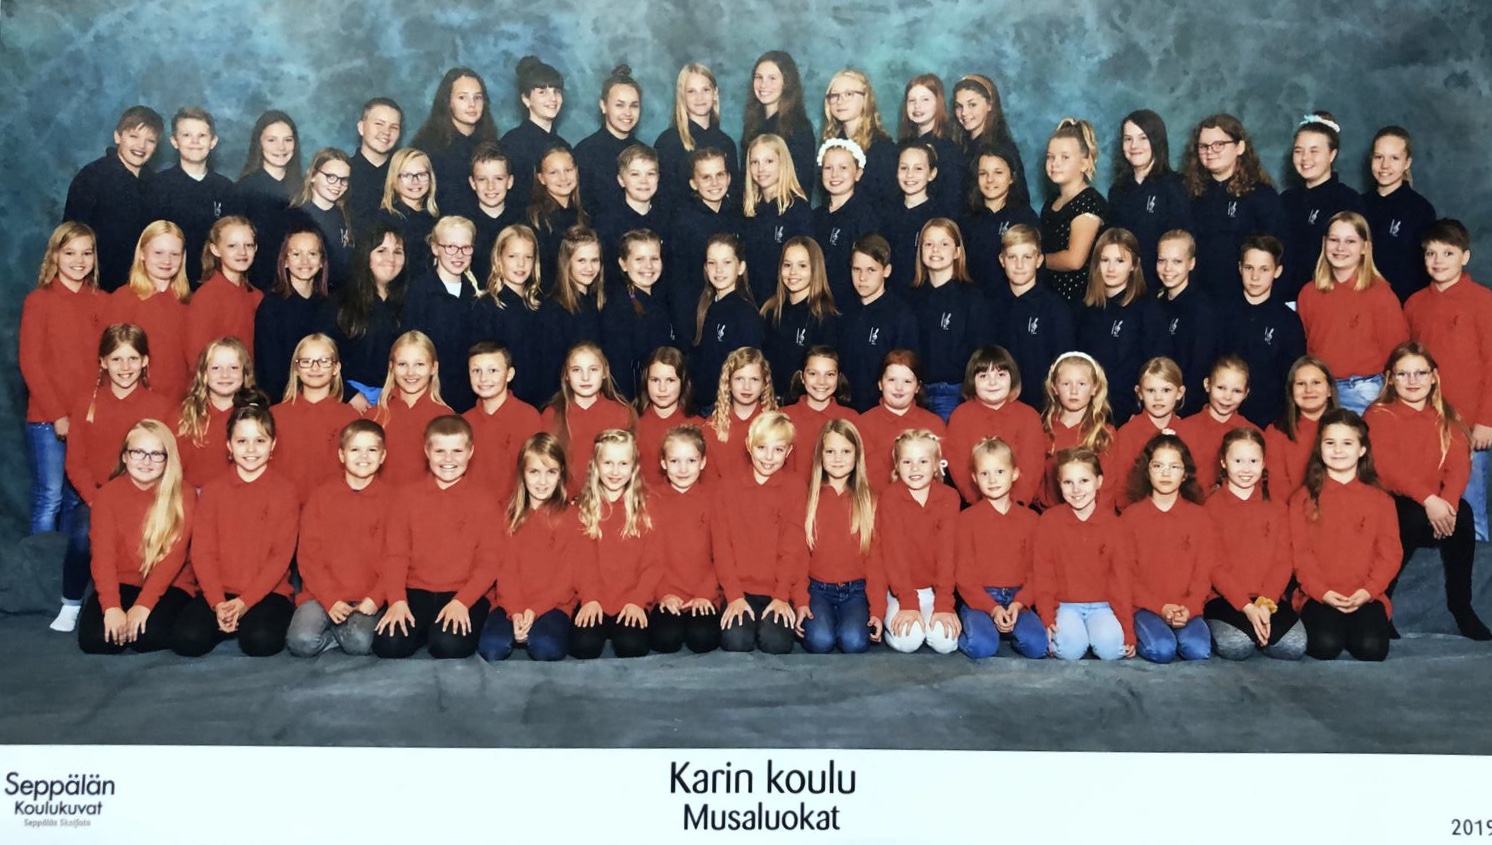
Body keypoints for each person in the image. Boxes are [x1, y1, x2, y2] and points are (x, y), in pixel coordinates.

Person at [1365, 343, 1490, 640]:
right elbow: (1388, 468)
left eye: (1420, 373)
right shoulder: (1378, 415)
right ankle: (1381, 604)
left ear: (1434, 376)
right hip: (1393, 502)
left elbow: (1458, 466)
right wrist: (1429, 500)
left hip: (1433, 505)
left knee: (1463, 515)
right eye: (1403, 374)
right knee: (1410, 516)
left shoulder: (1447, 416)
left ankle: (1461, 606)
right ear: (1390, 379)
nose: (1412, 381)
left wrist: (1447, 503)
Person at [59, 324, 176, 632]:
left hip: (147, 494)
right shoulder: (86, 403)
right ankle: (71, 602)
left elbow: (166, 459)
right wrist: (96, 500)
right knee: (82, 534)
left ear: (145, 361)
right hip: (97, 495)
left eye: (133, 359)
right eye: (116, 359)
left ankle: (144, 599)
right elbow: (75, 463)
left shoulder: (160, 406)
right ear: (103, 362)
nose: (125, 367)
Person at [170, 393, 297, 657]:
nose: (251, 450)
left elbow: (280, 558)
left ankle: (242, 621)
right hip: (219, 590)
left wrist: (244, 603)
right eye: (242, 441)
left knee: (260, 642)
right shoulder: (213, 491)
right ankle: (226, 619)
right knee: (187, 640)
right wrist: (218, 602)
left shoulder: (285, 492)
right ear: (229, 445)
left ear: (273, 444)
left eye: (260, 441)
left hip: (267, 592)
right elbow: (203, 552)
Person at [372, 415, 500, 660]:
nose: (448, 459)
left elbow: (489, 562)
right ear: (427, 452)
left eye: (457, 451)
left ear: (470, 452)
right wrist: (397, 600)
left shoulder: (485, 502)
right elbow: (396, 555)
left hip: (462, 592)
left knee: (448, 646)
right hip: (416, 590)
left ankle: (434, 631)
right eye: (440, 451)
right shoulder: (406, 498)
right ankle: (425, 629)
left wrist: (463, 602)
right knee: (388, 645)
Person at [1404, 219, 1492, 543]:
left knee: (1471, 500)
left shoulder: (1483, 301)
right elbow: (1407, 364)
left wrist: (1486, 420)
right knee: (1434, 502)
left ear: (1465, 257)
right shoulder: (1414, 304)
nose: (1438, 260)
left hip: (1469, 423)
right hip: (1427, 420)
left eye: (1448, 253)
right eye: (1431, 253)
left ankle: (1476, 560)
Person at [76, 420, 196, 655]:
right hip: (122, 580)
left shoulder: (184, 494)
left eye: (156, 454)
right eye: (138, 452)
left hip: (170, 584)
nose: (146, 461)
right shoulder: (106, 496)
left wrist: (144, 604)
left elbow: (174, 558)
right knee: (96, 640)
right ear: (124, 456)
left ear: (168, 459)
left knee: (146, 637)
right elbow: (102, 556)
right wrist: (112, 606)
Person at [1290, 408, 1399, 661]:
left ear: (1362, 450)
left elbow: (1389, 554)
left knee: (1372, 649)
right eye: (1330, 443)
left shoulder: (1381, 500)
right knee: (1325, 646)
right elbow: (1300, 554)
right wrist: (1321, 592)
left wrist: (1369, 591)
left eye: (1347, 443)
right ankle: (1333, 626)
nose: (1338, 450)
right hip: (1319, 594)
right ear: (1320, 448)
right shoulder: (1302, 498)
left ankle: (1355, 626)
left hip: (1364, 594)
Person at [20, 222, 104, 534]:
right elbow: (31, 363)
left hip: (88, 419)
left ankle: (67, 564)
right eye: (70, 253)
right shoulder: (39, 301)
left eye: (86, 253)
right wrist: (57, 415)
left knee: (75, 499)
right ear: (54, 255)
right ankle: (40, 562)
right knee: (50, 496)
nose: (79, 260)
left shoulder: (102, 301)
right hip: (48, 419)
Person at [287, 419, 390, 657]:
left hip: (367, 597)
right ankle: (338, 631)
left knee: (360, 643)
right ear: (342, 455)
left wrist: (376, 598)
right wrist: (330, 599)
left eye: (371, 450)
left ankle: (344, 632)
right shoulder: (321, 498)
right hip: (322, 595)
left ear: (383, 456)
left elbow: (396, 558)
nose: (363, 456)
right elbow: (309, 558)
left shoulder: (393, 501)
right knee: (301, 642)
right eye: (355, 450)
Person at [1204, 428, 1307, 660]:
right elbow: (1214, 565)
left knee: (1293, 647)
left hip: (1267, 597)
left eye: (1253, 461)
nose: (1246, 469)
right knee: (1236, 646)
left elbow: (1283, 560)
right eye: (1238, 461)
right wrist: (1247, 607)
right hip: (1225, 598)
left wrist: (1265, 604)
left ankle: (1260, 629)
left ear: (1263, 463)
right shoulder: (1211, 507)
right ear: (1223, 462)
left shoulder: (1278, 507)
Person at [1296, 211, 1409, 414]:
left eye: (1350, 241)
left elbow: (1397, 352)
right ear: (1324, 243)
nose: (1340, 248)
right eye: (1334, 240)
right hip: (1320, 391)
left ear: (1364, 247)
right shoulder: (1309, 293)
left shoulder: (1380, 294)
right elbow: (1305, 348)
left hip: (1365, 390)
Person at [477, 433, 576, 662]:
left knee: (546, 649)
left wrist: (535, 610)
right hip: (510, 602)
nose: (542, 481)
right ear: (522, 473)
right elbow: (505, 571)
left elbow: (567, 578)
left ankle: (540, 631)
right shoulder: (508, 515)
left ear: (561, 474)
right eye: (534, 472)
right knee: (491, 649)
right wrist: (515, 610)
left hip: (554, 604)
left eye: (551, 472)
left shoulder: (571, 517)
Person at [712, 412, 804, 654]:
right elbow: (722, 547)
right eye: (761, 448)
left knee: (776, 644)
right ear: (748, 445)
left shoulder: (795, 488)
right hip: (739, 588)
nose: (769, 457)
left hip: (776, 589)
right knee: (736, 641)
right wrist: (734, 596)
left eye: (778, 450)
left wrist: (782, 596)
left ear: (788, 452)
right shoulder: (727, 487)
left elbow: (792, 548)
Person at [1119, 434, 1214, 663]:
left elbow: (1203, 574)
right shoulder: (1130, 518)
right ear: (1147, 471)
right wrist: (1160, 607)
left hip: (1185, 608)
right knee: (1162, 650)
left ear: (1185, 474)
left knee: (1198, 650)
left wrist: (1189, 608)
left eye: (1174, 467)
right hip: (1145, 607)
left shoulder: (1200, 518)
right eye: (1158, 466)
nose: (1165, 473)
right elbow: (1126, 577)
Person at [1034, 447, 1134, 660]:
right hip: (1065, 606)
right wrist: (1047, 618)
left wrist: (1127, 629)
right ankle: (1078, 636)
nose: (1076, 490)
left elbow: (1121, 580)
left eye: (1084, 481)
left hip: (1103, 605)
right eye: (1068, 482)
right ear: (1059, 484)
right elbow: (1043, 575)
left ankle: (1095, 635)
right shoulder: (1049, 521)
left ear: (1099, 481)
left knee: (1112, 651)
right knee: (1069, 651)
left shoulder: (1114, 524)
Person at [954, 438, 1047, 659]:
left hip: (1017, 598)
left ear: (1014, 473)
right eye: (984, 473)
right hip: (979, 599)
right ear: (974, 478)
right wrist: (993, 608)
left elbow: (1038, 571)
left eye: (1000, 471)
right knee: (981, 647)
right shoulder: (966, 520)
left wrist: (1020, 603)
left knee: (1037, 647)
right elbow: (964, 577)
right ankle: (968, 630)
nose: (992, 479)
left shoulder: (1031, 520)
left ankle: (1008, 631)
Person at [569, 430, 657, 659]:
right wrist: (589, 599)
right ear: (596, 466)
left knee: (632, 647)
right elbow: (581, 564)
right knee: (583, 647)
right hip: (595, 597)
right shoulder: (583, 509)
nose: (615, 471)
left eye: (623, 464)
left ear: (634, 467)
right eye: (608, 463)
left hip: (631, 598)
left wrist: (638, 601)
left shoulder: (646, 509)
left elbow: (654, 564)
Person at [1182, 113, 1288, 302]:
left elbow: (1277, 253)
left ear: (1240, 147)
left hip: (1245, 300)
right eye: (1203, 146)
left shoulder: (1262, 195)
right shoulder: (1192, 193)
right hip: (1200, 299)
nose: (1210, 151)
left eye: (1219, 144)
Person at [877, 428, 962, 655]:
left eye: (923, 461)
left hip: (934, 591)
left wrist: (944, 604)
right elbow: (894, 554)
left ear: (936, 465)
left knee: (945, 642)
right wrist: (907, 603)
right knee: (909, 640)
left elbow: (948, 553)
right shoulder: (890, 497)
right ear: (896, 465)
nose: (915, 468)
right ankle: (892, 626)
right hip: (899, 589)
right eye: (907, 462)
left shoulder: (949, 497)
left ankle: (927, 621)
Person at [795, 419, 877, 654]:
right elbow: (798, 557)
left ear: (857, 455)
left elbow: (876, 561)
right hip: (817, 589)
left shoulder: (869, 499)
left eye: (846, 451)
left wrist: (878, 610)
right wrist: (800, 601)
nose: (838, 458)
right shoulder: (808, 498)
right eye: (830, 451)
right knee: (819, 641)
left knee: (854, 642)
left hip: (856, 590)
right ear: (820, 455)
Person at [64, 105, 163, 290]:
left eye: (150, 141)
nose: (141, 146)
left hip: (142, 284)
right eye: (133, 136)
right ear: (118, 136)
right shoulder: (92, 176)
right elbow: (71, 236)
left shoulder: (156, 184)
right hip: (97, 284)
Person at [1075, 227, 1168, 425]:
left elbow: (1155, 366)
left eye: (1120, 261)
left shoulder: (1147, 309)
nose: (1111, 268)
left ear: (1134, 265)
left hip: (1129, 413)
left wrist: (1140, 409)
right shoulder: (1085, 308)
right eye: (1105, 260)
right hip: (1088, 410)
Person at [648, 425, 721, 654]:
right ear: (663, 462)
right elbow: (646, 556)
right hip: (666, 592)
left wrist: (705, 594)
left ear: (703, 462)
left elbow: (722, 555)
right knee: (666, 640)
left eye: (691, 461)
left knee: (703, 640)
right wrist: (663, 593)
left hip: (704, 592)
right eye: (674, 461)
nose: (682, 469)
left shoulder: (714, 499)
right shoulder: (651, 500)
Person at [907, 218, 989, 420]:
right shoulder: (911, 298)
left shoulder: (971, 297)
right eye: (928, 244)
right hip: (915, 393)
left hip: (954, 392)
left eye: (944, 244)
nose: (935, 250)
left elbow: (979, 351)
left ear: (957, 252)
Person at [322, 222, 407, 412]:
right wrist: (349, 394)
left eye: (398, 252)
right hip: (351, 400)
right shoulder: (339, 302)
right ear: (366, 254)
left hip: (396, 399)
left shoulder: (408, 301)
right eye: (381, 250)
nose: (390, 259)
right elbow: (322, 356)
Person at [944, 345, 1045, 506]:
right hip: (976, 505)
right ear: (972, 381)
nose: (993, 382)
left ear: (1012, 378)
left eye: (1001, 375)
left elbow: (1032, 466)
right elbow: (961, 469)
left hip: (1019, 506)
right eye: (983, 376)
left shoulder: (1028, 416)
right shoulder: (960, 416)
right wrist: (979, 504)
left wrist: (1016, 504)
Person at [987, 224, 1073, 410]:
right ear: (1002, 260)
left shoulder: (1055, 308)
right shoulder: (990, 306)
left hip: (1043, 407)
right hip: (998, 404)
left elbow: (1062, 365)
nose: (1019, 265)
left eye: (1027, 257)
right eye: (1012, 257)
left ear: (1039, 260)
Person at [1223, 235, 1306, 427]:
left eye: (1264, 269)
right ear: (1239, 268)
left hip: (1270, 422)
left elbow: (1292, 378)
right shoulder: (1222, 315)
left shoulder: (1288, 321)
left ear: (1277, 271)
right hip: (1225, 415)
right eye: (1249, 268)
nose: (1255, 277)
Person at [107, 221, 193, 402]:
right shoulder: (123, 299)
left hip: (181, 402)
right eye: (158, 253)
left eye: (174, 254)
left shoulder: (189, 302)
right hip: (136, 401)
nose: (167, 261)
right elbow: (110, 357)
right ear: (142, 254)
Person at [270, 334, 360, 503]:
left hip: (334, 507)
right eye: (306, 361)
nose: (315, 367)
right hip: (284, 507)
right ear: (296, 368)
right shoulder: (275, 415)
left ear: (336, 368)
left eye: (324, 361)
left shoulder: (350, 417)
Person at [1282, 112, 1366, 293]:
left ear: (1332, 154)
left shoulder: (1348, 201)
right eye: (1299, 151)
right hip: (1285, 297)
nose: (1305, 158)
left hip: (1329, 295)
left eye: (1314, 151)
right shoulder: (1285, 200)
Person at [150, 107, 234, 287]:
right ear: (174, 141)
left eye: (202, 135)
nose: (195, 141)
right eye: (187, 135)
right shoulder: (158, 185)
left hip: (213, 282)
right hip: (170, 281)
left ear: (213, 141)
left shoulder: (226, 188)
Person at [540, 340, 634, 500]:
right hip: (564, 504)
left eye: (593, 369)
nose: (585, 377)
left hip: (609, 503)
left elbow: (632, 468)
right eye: (577, 370)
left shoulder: (622, 413)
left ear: (605, 372)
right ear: (566, 375)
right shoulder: (551, 415)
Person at [403, 216, 480, 411]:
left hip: (467, 395)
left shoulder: (474, 295)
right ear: (435, 248)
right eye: (451, 247)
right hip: (430, 393)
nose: (459, 254)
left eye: (466, 247)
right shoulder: (420, 292)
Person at [666, 148, 743, 335]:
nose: (714, 183)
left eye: (720, 175)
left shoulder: (738, 215)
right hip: (697, 315)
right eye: (706, 177)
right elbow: (678, 283)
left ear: (729, 178)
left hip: (734, 310)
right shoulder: (682, 223)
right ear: (693, 183)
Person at [1107, 109, 1191, 276]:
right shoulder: (1118, 191)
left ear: (1157, 141)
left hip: (1164, 281)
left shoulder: (1177, 186)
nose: (1134, 146)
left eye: (1143, 138)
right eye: (1128, 139)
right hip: (1126, 281)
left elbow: (1185, 246)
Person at [468, 223, 545, 404]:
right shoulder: (486, 307)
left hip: (538, 399)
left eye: (528, 257)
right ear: (498, 258)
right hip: (503, 401)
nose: (521, 264)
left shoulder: (539, 305)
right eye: (512, 256)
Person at [840, 234, 918, 412]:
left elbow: (907, 372)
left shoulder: (901, 316)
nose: (862, 277)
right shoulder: (843, 312)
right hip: (845, 409)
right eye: (856, 269)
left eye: (871, 270)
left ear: (886, 270)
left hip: (882, 411)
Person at [227, 111, 302, 290]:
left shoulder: (304, 189)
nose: (281, 147)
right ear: (259, 143)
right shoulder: (244, 189)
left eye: (288, 140)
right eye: (272, 140)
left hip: (298, 283)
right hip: (256, 285)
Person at [462, 341, 543, 502]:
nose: (483, 378)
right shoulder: (464, 422)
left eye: (493, 370)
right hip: (474, 510)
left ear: (509, 374)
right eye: (476, 371)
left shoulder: (528, 417)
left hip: (517, 510)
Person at [409, 67, 500, 211]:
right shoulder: (426, 148)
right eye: (462, 97)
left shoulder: (493, 145)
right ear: (447, 102)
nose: (472, 104)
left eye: (477, 97)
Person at [1363, 126, 1437, 303]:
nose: (1385, 165)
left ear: (1407, 163)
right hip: (1359, 302)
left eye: (1394, 158)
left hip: (1401, 305)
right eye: (1379, 157)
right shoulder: (1357, 204)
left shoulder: (1420, 210)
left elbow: (1425, 270)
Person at [855, 350, 946, 492]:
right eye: (891, 380)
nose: (899, 387)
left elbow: (939, 475)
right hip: (876, 500)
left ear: (917, 387)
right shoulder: (862, 423)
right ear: (880, 384)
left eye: (907, 381)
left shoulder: (934, 423)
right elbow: (862, 476)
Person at [253, 228, 329, 399]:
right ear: (285, 261)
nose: (305, 261)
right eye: (296, 254)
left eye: (312, 253)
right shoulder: (271, 307)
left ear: (322, 261)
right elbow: (268, 371)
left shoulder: (328, 305)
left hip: (322, 396)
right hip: (283, 399)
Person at [1039, 118, 1109, 303]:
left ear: (1084, 164)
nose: (1055, 163)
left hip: (1078, 300)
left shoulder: (1089, 202)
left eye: (1065, 157)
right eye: (1050, 157)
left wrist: (1035, 260)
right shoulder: (1052, 201)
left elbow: (1074, 260)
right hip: (1050, 295)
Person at [600, 227, 674, 400]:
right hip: (636, 402)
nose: (648, 266)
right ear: (623, 263)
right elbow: (619, 370)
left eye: (654, 258)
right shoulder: (618, 308)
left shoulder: (660, 302)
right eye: (639, 259)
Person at [760, 237, 839, 399]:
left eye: (802, 266)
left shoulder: (825, 318)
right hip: (769, 402)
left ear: (815, 269)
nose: (793, 272)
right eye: (787, 265)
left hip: (804, 404)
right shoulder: (770, 311)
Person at [690, 234, 763, 406]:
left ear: (741, 267)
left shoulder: (746, 315)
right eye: (712, 263)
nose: (718, 270)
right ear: (705, 268)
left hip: (726, 406)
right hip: (703, 404)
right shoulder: (707, 306)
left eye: (727, 262)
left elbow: (747, 370)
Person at [655, 63, 739, 212]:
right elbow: (662, 198)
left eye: (705, 90)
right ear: (682, 97)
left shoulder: (726, 143)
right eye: (691, 91)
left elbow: (734, 195)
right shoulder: (668, 142)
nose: (699, 97)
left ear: (715, 93)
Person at [372, 330, 451, 486]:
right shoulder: (373, 417)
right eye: (402, 364)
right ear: (391, 367)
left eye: (419, 364)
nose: (410, 372)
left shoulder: (447, 419)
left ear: (433, 367)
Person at [740, 133, 812, 304]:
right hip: (754, 301)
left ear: (782, 164)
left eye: (769, 161)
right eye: (755, 162)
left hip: (785, 303)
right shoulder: (750, 211)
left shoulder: (798, 209)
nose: (761, 168)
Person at [175, 337, 254, 491]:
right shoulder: (184, 416)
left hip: (242, 494)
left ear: (245, 373)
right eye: (216, 368)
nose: (225, 375)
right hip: (193, 495)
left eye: (233, 368)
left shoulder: (257, 417)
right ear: (204, 374)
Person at [1038, 352, 1115, 509]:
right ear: (1054, 388)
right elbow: (1036, 482)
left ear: (1094, 388)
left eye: (1081, 384)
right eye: (1066, 384)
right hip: (1050, 515)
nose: (1074, 391)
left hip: (1093, 516)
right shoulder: (1043, 430)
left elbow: (1109, 485)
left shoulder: (1104, 433)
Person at [961, 141, 1039, 293]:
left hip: (1013, 299)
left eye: (998, 172)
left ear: (1012, 177)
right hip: (973, 299)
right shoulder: (967, 219)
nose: (990, 179)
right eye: (983, 173)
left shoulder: (1024, 217)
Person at [1174, 355, 1260, 492]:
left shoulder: (1253, 434)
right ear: (1207, 385)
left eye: (1236, 391)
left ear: (1246, 393)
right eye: (1221, 388)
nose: (1227, 397)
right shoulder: (1183, 430)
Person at [1110, 356, 1186, 509]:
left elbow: (1195, 482)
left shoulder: (1188, 431)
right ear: (1139, 393)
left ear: (1179, 392)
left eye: (1166, 390)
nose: (1158, 397)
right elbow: (1121, 487)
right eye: (1151, 390)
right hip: (1137, 513)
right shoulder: (1128, 433)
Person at [1153, 229, 1219, 405]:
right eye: (1162, 260)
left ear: (1191, 263)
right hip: (1156, 400)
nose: (1168, 268)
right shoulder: (1155, 304)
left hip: (1185, 405)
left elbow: (1199, 368)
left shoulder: (1202, 310)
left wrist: (1180, 408)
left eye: (1177, 261)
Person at [812, 139, 880, 305]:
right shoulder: (815, 216)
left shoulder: (865, 217)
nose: (834, 174)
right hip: (817, 302)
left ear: (858, 173)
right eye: (828, 168)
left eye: (843, 168)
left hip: (849, 304)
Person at [186, 215, 262, 364]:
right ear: (215, 249)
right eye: (232, 246)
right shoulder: (206, 297)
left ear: (256, 248)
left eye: (248, 245)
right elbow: (196, 357)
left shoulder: (257, 296)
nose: (242, 252)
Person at [742, 52, 816, 202]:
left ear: (786, 82)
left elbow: (802, 184)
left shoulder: (799, 128)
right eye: (759, 77)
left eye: (772, 78)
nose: (763, 85)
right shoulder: (752, 126)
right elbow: (745, 179)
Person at [820, 69, 898, 209]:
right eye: (835, 95)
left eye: (849, 94)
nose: (840, 101)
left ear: (865, 98)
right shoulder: (830, 144)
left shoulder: (883, 148)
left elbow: (888, 202)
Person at [573, 64, 644, 217]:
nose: (628, 112)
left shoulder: (646, 153)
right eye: (619, 105)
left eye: (634, 106)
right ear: (603, 106)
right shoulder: (585, 152)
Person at [1265, 356, 1339, 500]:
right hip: (1291, 510)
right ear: (1291, 391)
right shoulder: (1276, 432)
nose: (1308, 390)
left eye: (1316, 383)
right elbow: (1278, 490)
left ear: (1329, 390)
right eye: (1301, 384)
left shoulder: (1348, 428)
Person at [780, 346, 857, 483]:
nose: (822, 381)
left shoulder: (852, 418)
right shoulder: (783, 416)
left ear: (838, 378)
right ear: (802, 377)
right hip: (791, 494)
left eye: (830, 374)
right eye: (813, 374)